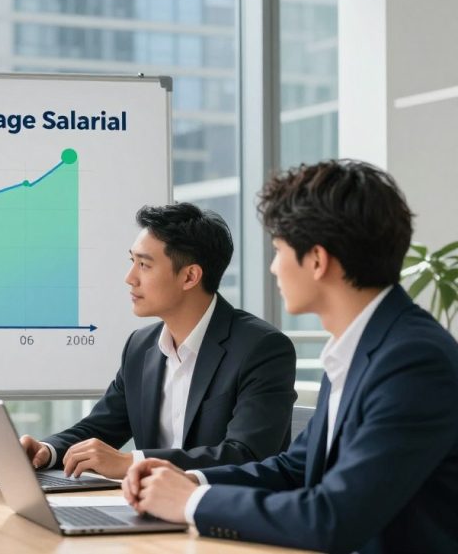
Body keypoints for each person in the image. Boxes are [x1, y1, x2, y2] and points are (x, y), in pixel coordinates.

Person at [123, 160, 458, 553]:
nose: (272, 267)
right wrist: (191, 481)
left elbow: (333, 517)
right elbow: (294, 468)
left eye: (279, 250)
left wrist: (189, 503)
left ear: (317, 260)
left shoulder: (413, 361)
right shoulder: (360, 347)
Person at [20, 203, 297, 480]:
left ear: (189, 276)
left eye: (144, 265)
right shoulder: (141, 346)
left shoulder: (261, 348)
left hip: (223, 512)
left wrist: (133, 463)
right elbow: (102, 427)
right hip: (151, 509)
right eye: (133, 262)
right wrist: (48, 450)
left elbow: (246, 454)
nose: (130, 278)